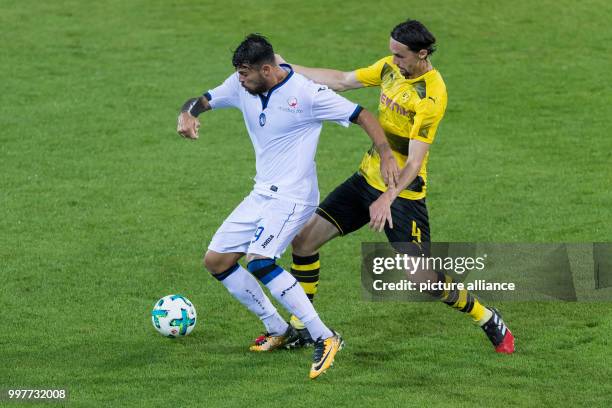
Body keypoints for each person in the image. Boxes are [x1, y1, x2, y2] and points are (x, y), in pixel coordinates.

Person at [277, 19, 515, 354]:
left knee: (425, 282)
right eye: (392, 54)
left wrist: (388, 198)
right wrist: (286, 67)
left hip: (403, 194)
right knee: (303, 242)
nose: (394, 61)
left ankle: (486, 316)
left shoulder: (431, 96)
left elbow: (415, 162)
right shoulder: (390, 69)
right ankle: (302, 327)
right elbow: (343, 80)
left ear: (421, 54)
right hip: (366, 180)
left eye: (401, 56)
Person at [176, 34, 399, 379]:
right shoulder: (241, 85)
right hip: (262, 193)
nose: (240, 80)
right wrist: (187, 114)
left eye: (246, 74)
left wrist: (385, 153)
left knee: (260, 261)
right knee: (216, 261)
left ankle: (326, 337)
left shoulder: (307, 94)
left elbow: (362, 115)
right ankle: (281, 329)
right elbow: (203, 100)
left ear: (267, 69)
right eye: (238, 74)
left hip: (294, 196)